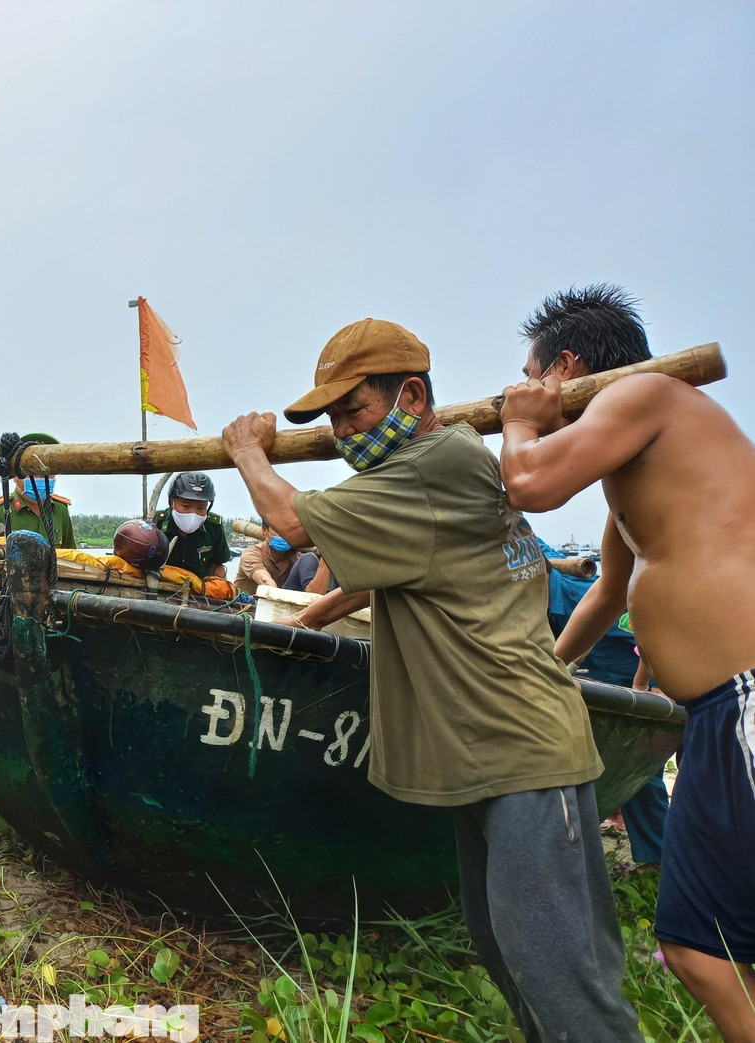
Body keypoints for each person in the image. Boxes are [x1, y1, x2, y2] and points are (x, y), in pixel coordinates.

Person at [223, 317, 642, 1042]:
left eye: (353, 410)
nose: (342, 431)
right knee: (505, 947)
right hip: (482, 753)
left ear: (411, 395)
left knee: (562, 975)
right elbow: (391, 573)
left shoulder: (428, 466)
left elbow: (291, 518)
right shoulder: (450, 459)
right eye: (330, 419)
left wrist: (246, 452)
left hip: (520, 749)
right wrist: (308, 620)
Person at [499, 284, 755, 1039]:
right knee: (696, 947)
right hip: (711, 714)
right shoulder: (631, 472)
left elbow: (532, 482)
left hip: (746, 696)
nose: (522, 385)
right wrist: (545, 670)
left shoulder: (649, 394)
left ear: (565, 368)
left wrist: (519, 420)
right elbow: (608, 592)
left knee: (704, 944)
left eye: (530, 373)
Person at [541, 548, 667, 867]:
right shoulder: (539, 604)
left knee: (641, 768)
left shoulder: (581, 597)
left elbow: (653, 629)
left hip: (637, 683)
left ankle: (658, 859)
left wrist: (652, 682)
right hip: (598, 683)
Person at [0, 433, 77, 549]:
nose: (40, 479)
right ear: (14, 476)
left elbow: (71, 555)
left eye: (47, 473)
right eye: (31, 472)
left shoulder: (60, 510)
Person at [152, 473, 230, 580]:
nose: (193, 514)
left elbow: (218, 566)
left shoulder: (214, 527)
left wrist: (221, 588)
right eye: (186, 506)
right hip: (158, 588)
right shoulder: (155, 524)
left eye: (201, 508)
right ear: (172, 502)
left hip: (199, 591)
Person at [233, 521, 299, 594]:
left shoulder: (297, 556)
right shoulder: (252, 554)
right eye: (277, 529)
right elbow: (265, 581)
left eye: (287, 530)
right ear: (264, 530)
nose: (282, 534)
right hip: (245, 604)